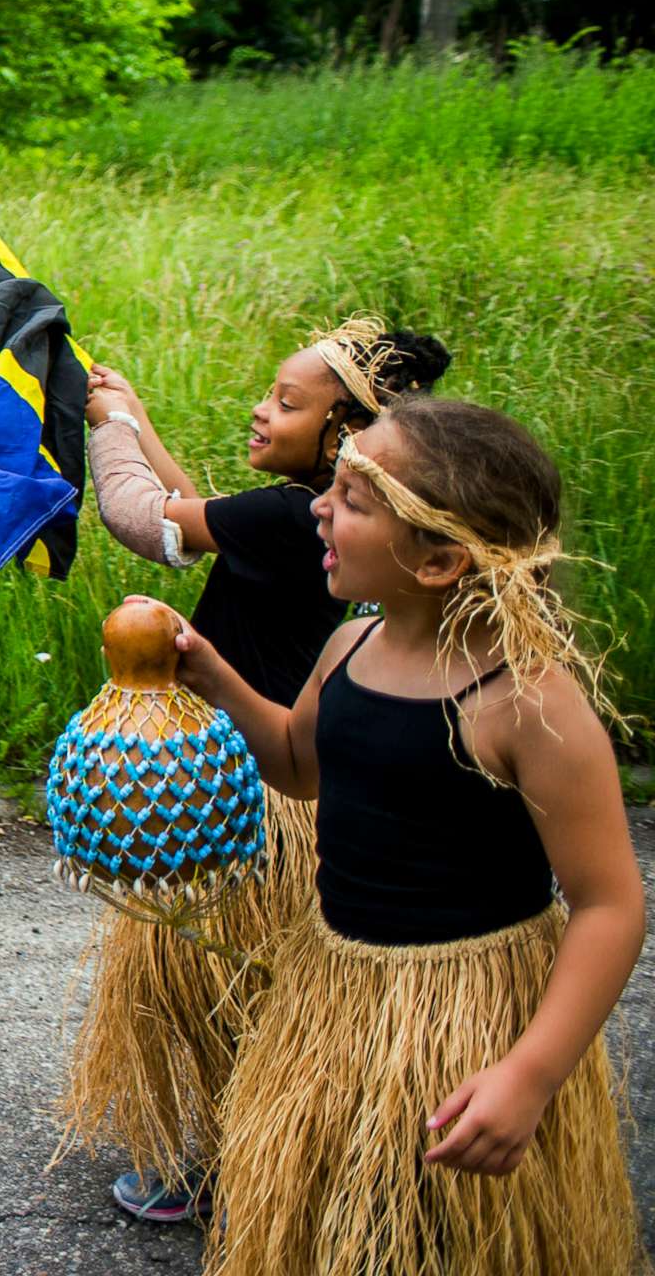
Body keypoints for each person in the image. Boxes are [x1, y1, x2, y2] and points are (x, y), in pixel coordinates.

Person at [178, 398, 642, 1274]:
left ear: (437, 561)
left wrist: (531, 1075)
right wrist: (210, 671)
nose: (320, 505)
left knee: (446, 1232)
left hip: (467, 1018)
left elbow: (610, 905)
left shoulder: (526, 703)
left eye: (354, 498)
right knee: (337, 1220)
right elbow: (296, 764)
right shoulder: (348, 646)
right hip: (337, 993)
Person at [64, 316, 448, 1220]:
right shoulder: (322, 513)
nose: (260, 410)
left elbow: (141, 520)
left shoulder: (290, 515)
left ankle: (221, 1163)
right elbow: (194, 514)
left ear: (348, 431)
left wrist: (110, 429)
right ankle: (255, 1155)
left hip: (251, 791)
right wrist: (137, 416)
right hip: (292, 777)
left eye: (287, 401)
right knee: (252, 979)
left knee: (218, 983)